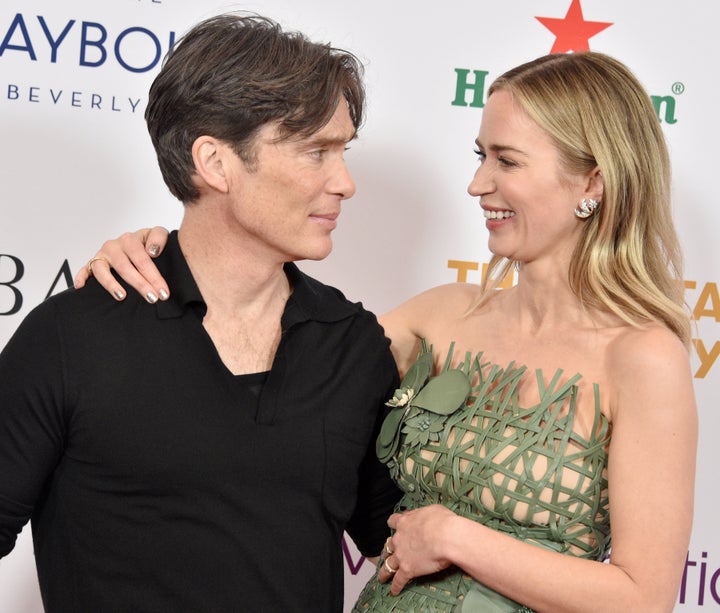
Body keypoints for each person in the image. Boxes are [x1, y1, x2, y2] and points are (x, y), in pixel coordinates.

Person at [77, 51, 698, 611]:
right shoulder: (441, 315)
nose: (478, 184)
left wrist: (456, 538)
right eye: (481, 156)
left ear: (592, 181)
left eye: (506, 160)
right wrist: (164, 251)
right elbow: (263, 350)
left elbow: (640, 599)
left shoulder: (643, 357)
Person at [0, 13, 402, 612]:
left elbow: (401, 546)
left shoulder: (352, 343)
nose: (344, 182)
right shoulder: (74, 336)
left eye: (342, 151)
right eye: (316, 152)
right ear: (215, 163)